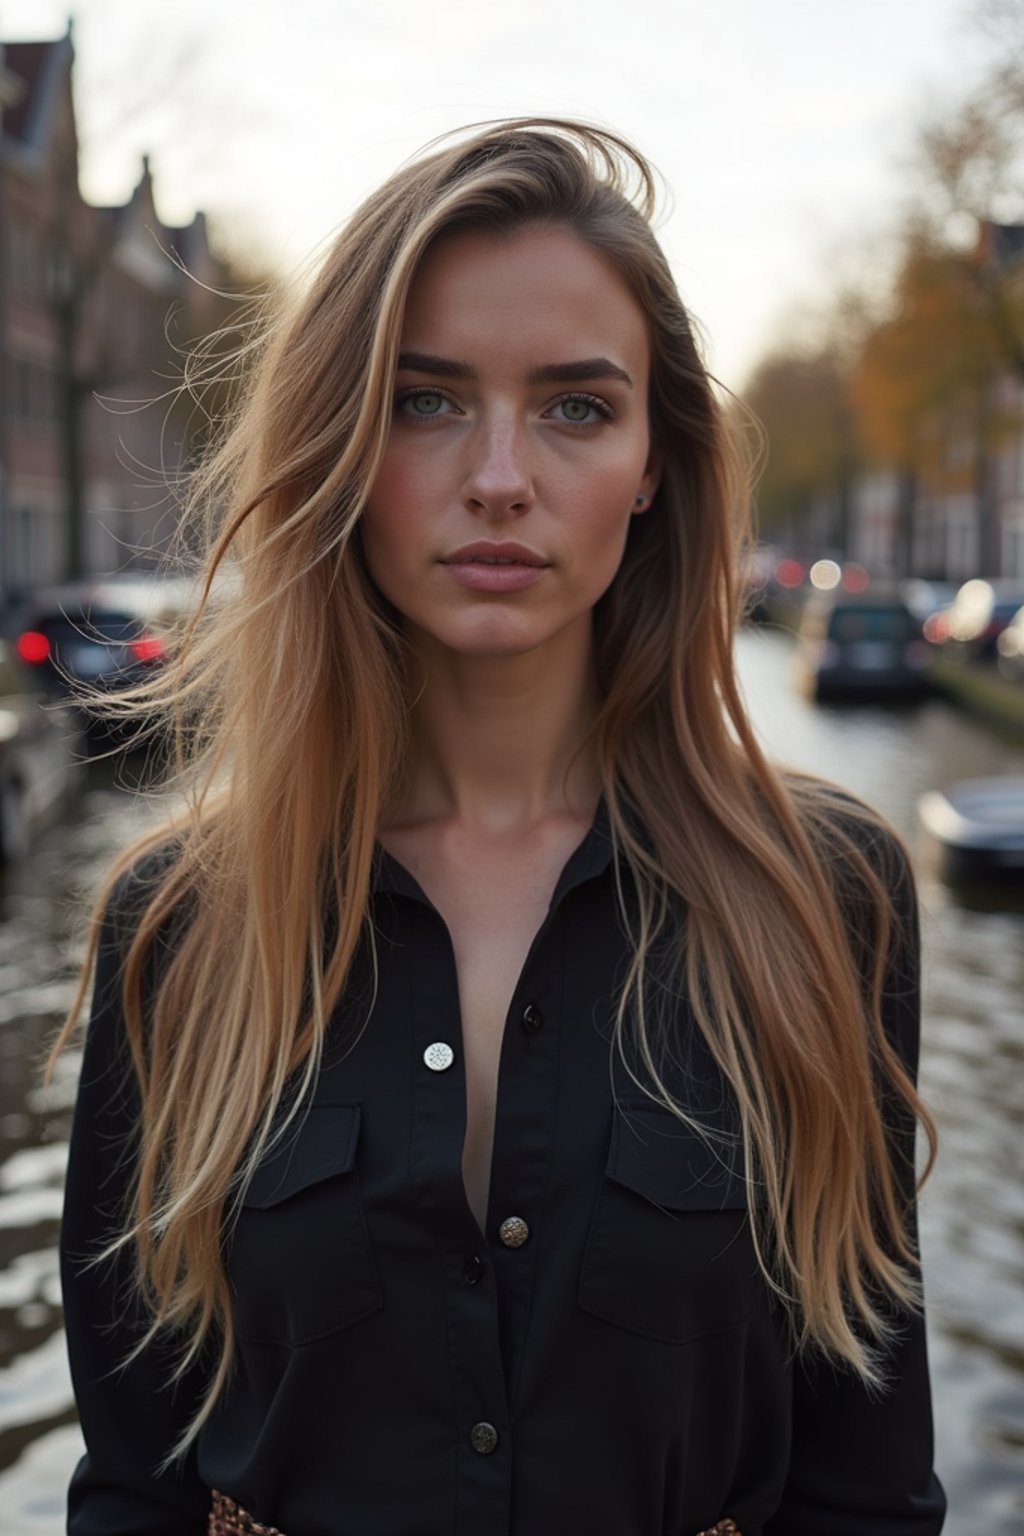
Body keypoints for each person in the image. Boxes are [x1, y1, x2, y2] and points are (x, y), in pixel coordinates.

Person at [54, 119, 947, 1536]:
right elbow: (132, 1485)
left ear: (657, 461)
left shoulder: (826, 898)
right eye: (426, 401)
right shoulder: (180, 920)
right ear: (342, 441)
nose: (500, 477)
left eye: (578, 408)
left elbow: (867, 1479)